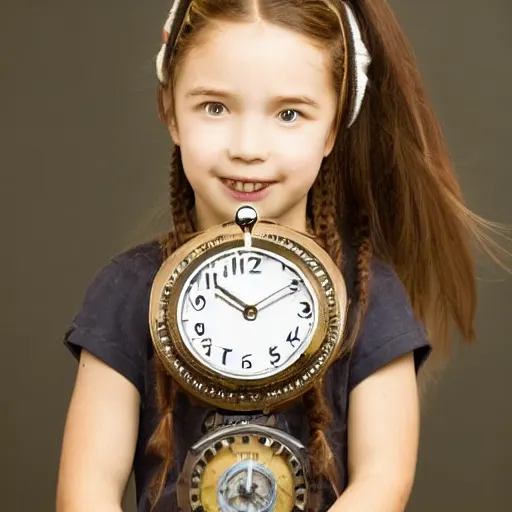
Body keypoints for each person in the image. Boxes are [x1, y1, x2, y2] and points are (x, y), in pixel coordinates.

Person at [56, 1, 495, 511]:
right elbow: (86, 488)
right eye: (215, 107)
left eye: (289, 113)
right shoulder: (127, 293)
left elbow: (382, 482)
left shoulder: (369, 298)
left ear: (334, 127)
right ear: (169, 109)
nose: (248, 146)